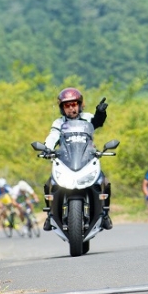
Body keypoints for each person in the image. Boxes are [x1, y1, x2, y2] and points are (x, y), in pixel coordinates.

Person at [42, 87, 111, 231]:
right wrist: (47, 148)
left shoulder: (87, 118)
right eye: (67, 105)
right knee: (49, 184)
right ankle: (50, 216)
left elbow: (97, 122)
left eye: (73, 104)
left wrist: (101, 112)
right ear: (62, 108)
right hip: (66, 160)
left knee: (105, 182)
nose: (71, 108)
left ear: (79, 105)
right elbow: (52, 136)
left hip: (86, 158)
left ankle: (105, 214)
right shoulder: (58, 123)